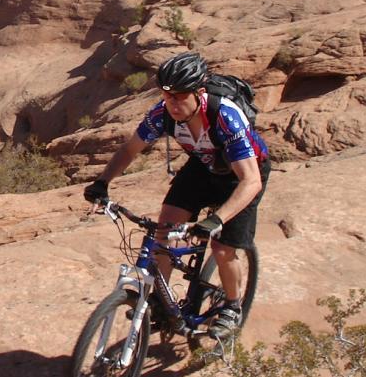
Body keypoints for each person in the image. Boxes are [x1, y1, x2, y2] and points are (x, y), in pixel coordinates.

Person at [83, 51, 269, 339]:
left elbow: (251, 181)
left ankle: (232, 306)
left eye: (181, 96)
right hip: (204, 165)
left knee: (222, 248)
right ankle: (160, 303)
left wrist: (216, 220)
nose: (173, 103)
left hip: (241, 175)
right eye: (167, 95)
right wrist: (102, 183)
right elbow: (130, 149)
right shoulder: (162, 114)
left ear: (200, 92)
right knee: (164, 230)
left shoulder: (225, 116)